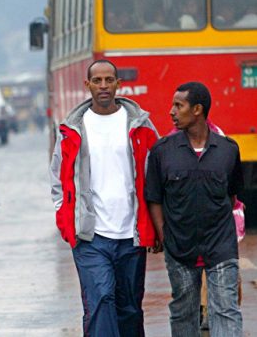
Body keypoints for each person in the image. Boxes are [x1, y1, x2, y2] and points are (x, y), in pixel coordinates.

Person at [49, 59, 159, 336]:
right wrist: (66, 220)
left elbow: (157, 174)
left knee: (129, 308)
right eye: (97, 81)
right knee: (100, 299)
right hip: (91, 236)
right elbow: (58, 178)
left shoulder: (141, 125)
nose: (103, 86)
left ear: (118, 84)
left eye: (109, 80)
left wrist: (156, 225)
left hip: (131, 235)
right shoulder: (73, 128)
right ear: (87, 85)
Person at [145, 82, 243, 336]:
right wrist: (165, 236)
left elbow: (232, 196)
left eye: (179, 106)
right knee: (184, 312)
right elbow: (154, 198)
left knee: (226, 309)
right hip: (180, 247)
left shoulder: (228, 150)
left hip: (220, 246)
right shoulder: (162, 152)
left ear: (197, 109)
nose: (172, 111)